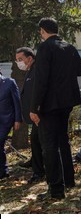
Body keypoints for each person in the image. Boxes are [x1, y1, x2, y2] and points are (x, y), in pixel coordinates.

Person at [30, 17, 81, 200]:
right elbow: (80, 70)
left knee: (49, 146)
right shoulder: (69, 47)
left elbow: (41, 80)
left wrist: (34, 107)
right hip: (67, 103)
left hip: (49, 104)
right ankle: (68, 180)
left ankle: (56, 190)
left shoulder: (45, 48)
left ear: (43, 31)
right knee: (63, 141)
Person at [15, 47, 45, 184]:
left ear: (30, 58)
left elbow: (38, 92)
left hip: (39, 114)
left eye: (20, 59)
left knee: (39, 142)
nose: (19, 63)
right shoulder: (30, 71)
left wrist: (36, 110)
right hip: (33, 115)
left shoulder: (37, 70)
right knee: (35, 141)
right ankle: (35, 163)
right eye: (17, 60)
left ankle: (39, 171)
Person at [0, 69, 22, 179]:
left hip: (6, 120)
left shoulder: (9, 82)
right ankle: (3, 171)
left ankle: (3, 170)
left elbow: (17, 102)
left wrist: (18, 119)